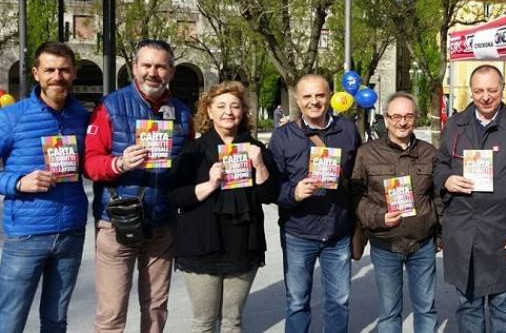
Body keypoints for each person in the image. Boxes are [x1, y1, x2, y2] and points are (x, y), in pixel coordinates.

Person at [84, 39, 193, 333]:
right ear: (134, 67)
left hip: (162, 225)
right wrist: (119, 163)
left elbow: (191, 165)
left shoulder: (182, 112)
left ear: (171, 71)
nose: (152, 73)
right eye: (146, 65)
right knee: (111, 314)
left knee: (156, 309)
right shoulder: (110, 106)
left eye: (160, 66)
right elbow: (91, 163)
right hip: (118, 222)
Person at [433, 64, 506, 333]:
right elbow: (439, 165)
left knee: (503, 310)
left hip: (504, 234)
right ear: (471, 91)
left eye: (492, 90)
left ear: (502, 89)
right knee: (468, 310)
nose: (486, 97)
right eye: (479, 91)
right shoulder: (455, 125)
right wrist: (445, 179)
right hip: (464, 233)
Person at [168, 81, 278, 332]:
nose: (228, 111)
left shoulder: (255, 149)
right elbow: (175, 196)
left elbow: (270, 195)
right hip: (201, 244)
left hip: (243, 244)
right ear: (209, 111)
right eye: (221, 106)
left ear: (243, 112)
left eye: (235, 106)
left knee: (233, 321)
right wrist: (209, 184)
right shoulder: (193, 151)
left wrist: (259, 165)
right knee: (204, 322)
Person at [0, 42, 89, 333]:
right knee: (10, 318)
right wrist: (17, 183)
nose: (57, 76)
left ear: (74, 73)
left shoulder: (83, 117)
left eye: (64, 70)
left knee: (56, 320)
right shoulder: (11, 116)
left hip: (71, 233)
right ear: (36, 73)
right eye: (49, 70)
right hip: (26, 235)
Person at [268, 74, 361, 333]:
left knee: (339, 302)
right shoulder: (283, 137)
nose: (314, 102)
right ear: (297, 100)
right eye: (307, 96)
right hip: (298, 231)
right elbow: (271, 187)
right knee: (297, 302)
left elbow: (359, 176)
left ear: (329, 96)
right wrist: (293, 193)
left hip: (338, 233)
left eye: (319, 95)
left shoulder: (348, 130)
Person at [352, 92, 441, 333]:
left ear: (416, 118)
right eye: (397, 116)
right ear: (387, 118)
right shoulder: (367, 153)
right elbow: (356, 196)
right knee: (389, 312)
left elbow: (438, 197)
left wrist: (441, 236)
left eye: (409, 116)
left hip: (422, 244)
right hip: (385, 244)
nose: (402, 122)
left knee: (426, 308)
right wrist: (377, 217)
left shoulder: (429, 153)